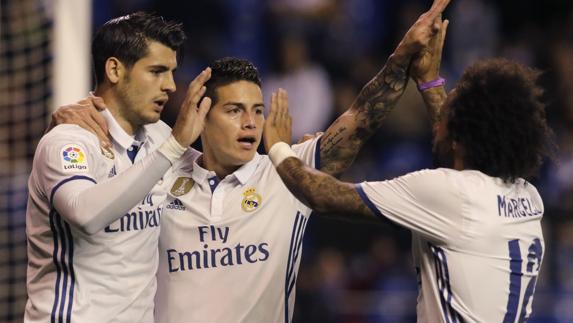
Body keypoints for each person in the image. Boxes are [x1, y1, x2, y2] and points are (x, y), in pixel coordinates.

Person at [51, 1, 449, 321]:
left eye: (258, 111)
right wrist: (84, 112)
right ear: (201, 114)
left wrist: (400, 60)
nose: (251, 123)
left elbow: (360, 120)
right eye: (235, 111)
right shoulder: (160, 166)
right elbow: (122, 119)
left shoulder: (287, 174)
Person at [264, 17, 556, 323]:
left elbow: (321, 195)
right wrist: (429, 82)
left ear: (459, 135)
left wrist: (278, 148)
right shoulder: (529, 197)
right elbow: (459, 155)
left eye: (449, 112)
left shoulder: (450, 194)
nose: (440, 121)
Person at [25, 12, 212, 323]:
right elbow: (85, 214)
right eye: (156, 71)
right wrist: (173, 147)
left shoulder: (160, 138)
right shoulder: (69, 141)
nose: (169, 85)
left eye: (172, 72)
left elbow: (216, 176)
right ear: (114, 69)